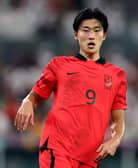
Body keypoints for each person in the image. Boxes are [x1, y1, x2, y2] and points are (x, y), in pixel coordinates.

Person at [14, 8, 128, 168]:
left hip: (90, 157)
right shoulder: (58, 65)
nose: (91, 35)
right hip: (58, 148)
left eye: (97, 30)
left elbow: (118, 120)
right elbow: (36, 95)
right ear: (76, 34)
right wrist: (28, 101)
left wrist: (115, 141)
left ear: (104, 35)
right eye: (85, 30)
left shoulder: (117, 75)